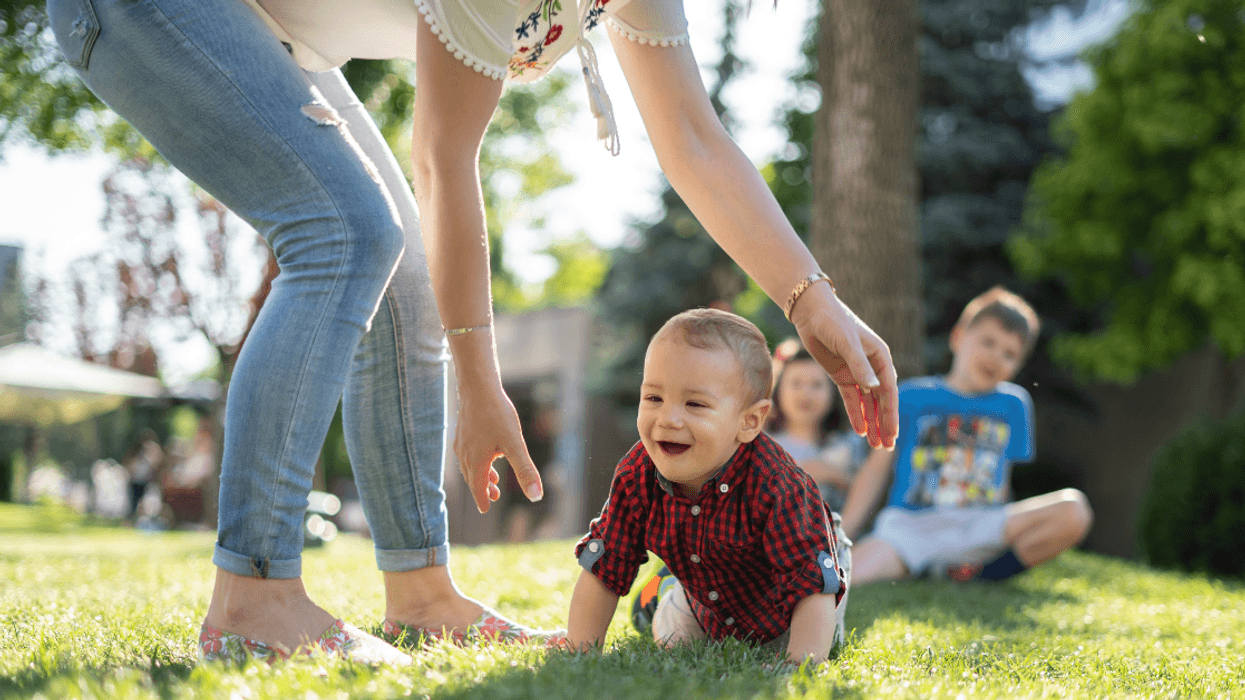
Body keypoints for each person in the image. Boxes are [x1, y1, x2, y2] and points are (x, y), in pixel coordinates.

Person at [46, 0, 897, 666]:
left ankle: (418, 592)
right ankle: (253, 598)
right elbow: (443, 157)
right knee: (347, 232)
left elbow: (692, 140)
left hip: (263, 28)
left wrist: (808, 298)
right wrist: (479, 383)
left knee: (404, 264)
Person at [565, 309, 850, 665]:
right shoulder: (637, 474)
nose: (668, 419)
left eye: (695, 404)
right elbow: (604, 566)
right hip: (707, 597)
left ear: (748, 422)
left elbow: (811, 586)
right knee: (674, 640)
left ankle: (664, 588)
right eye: (654, 398)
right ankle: (660, 594)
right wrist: (578, 651)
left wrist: (799, 668)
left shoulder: (780, 485)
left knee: (804, 644)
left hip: (792, 599)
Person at [840, 287, 1093, 585]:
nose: (996, 357)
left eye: (1010, 354)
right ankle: (933, 566)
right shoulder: (910, 397)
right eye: (988, 342)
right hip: (911, 528)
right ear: (958, 338)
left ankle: (979, 574)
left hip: (980, 526)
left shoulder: (1015, 405)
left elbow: (1003, 482)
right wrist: (843, 536)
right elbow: (875, 471)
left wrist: (1002, 529)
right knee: (844, 575)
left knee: (1074, 510)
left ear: (1019, 365)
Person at [768, 340, 869, 513]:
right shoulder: (764, 445)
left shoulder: (849, 444)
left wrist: (835, 476)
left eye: (817, 385)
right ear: (778, 390)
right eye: (796, 383)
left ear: (834, 392)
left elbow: (868, 495)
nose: (806, 394)